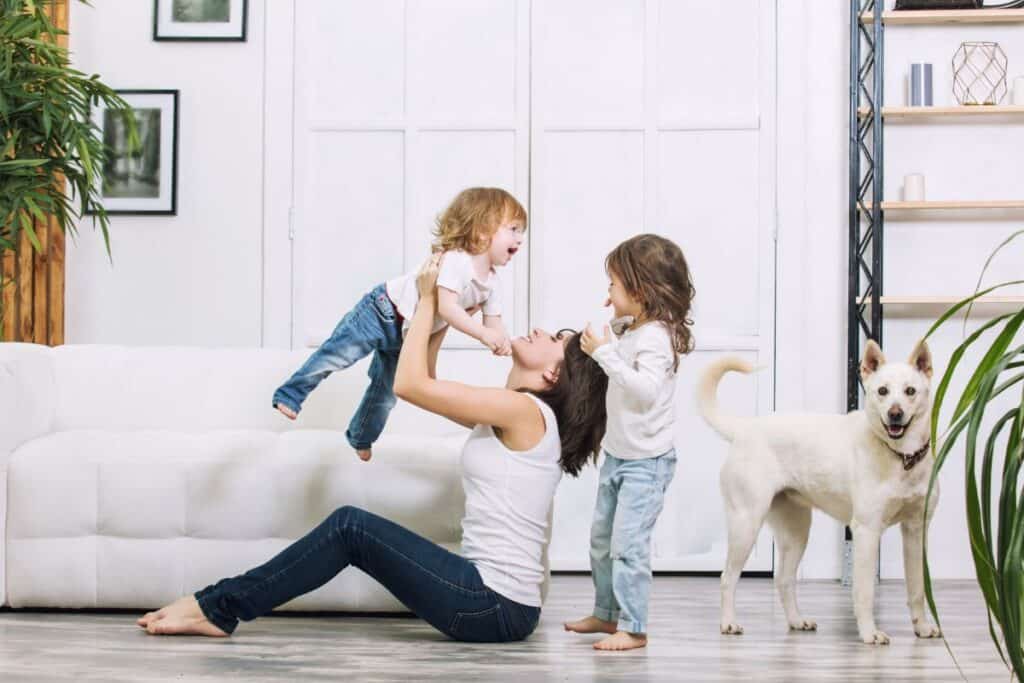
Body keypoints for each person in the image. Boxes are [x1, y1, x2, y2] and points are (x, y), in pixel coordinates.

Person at [137, 252, 608, 643]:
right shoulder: (517, 412)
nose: (544, 331)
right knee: (351, 528)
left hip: (492, 606)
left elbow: (407, 384)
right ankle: (217, 606)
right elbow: (427, 381)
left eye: (557, 341)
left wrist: (425, 300)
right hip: (496, 604)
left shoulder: (523, 412)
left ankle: (217, 607)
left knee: (350, 528)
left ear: (553, 375)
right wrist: (442, 308)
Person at [272, 187, 526, 462]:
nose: (520, 239)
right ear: (482, 230)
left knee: (385, 392)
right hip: (382, 312)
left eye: (522, 232)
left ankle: (360, 436)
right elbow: (448, 309)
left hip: (409, 335)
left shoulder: (491, 282)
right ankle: (290, 393)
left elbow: (494, 321)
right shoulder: (456, 260)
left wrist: (502, 341)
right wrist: (485, 335)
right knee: (337, 355)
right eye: (513, 229)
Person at [564, 234, 696, 651]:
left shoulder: (656, 338)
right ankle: (607, 614)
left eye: (613, 285)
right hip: (620, 456)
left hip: (647, 462)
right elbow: (626, 352)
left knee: (628, 545)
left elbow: (645, 390)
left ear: (639, 290)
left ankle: (634, 626)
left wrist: (605, 352)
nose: (608, 294)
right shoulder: (637, 328)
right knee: (602, 540)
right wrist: (617, 327)